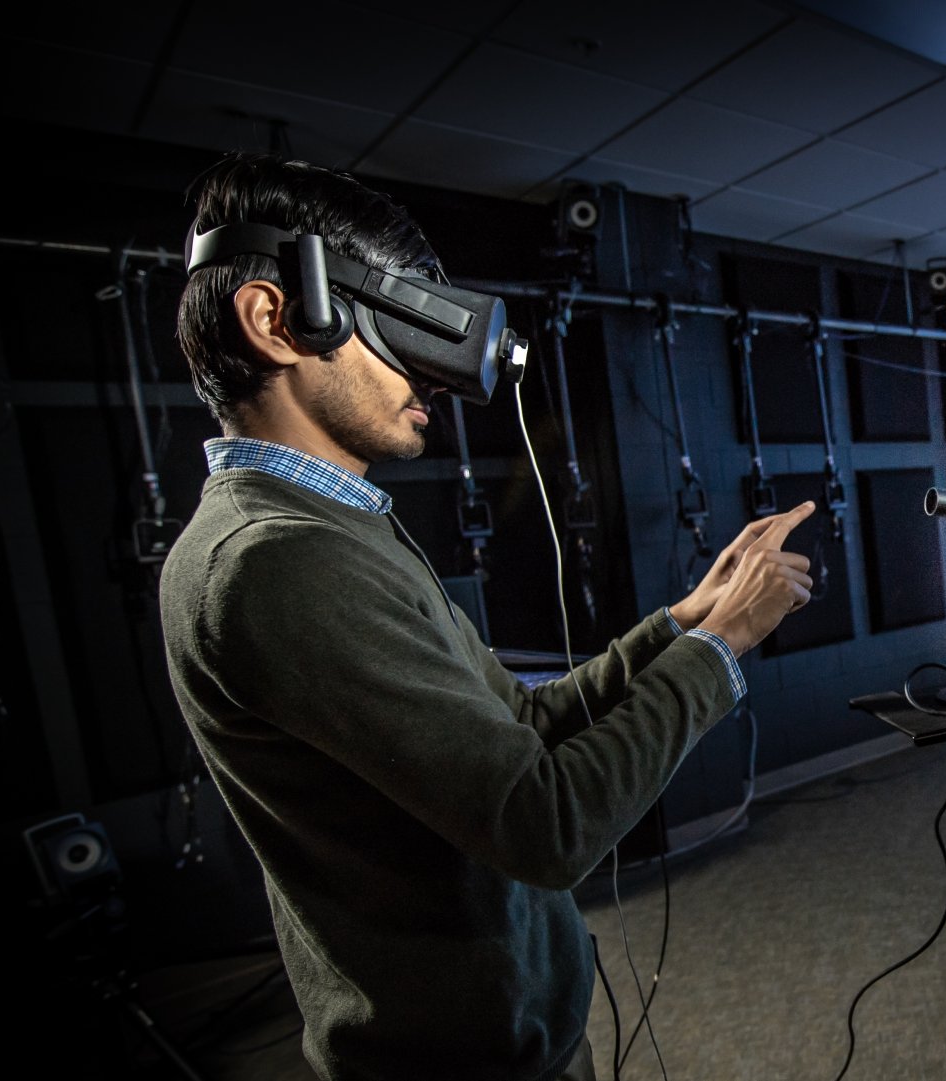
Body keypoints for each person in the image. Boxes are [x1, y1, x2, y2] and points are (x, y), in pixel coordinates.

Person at [157, 154, 812, 1081]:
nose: (435, 376)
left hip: (503, 1034)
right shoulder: (274, 561)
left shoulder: (329, 527)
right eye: (399, 328)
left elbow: (524, 725)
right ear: (277, 320)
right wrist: (725, 645)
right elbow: (544, 822)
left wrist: (682, 623)